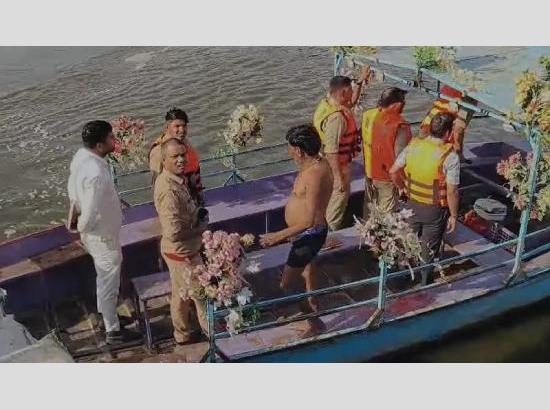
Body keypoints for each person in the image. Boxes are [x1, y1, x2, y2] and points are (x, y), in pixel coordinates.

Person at [67, 120, 138, 345]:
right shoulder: (96, 173)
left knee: (104, 279)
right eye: (110, 138)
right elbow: (89, 212)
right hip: (103, 238)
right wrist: (82, 230)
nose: (114, 141)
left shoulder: (81, 157)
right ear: (99, 145)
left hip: (98, 235)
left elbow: (73, 191)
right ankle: (113, 331)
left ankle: (108, 316)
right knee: (109, 282)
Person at [259, 124, 333, 335]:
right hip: (304, 233)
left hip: (309, 235)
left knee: (287, 283)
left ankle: (314, 321)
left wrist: (276, 236)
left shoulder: (314, 174)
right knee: (307, 271)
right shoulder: (316, 162)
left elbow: (308, 220)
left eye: (290, 147)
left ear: (299, 150)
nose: (288, 151)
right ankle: (313, 304)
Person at [389, 112, 460, 286]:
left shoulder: (413, 146)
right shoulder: (450, 156)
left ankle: (401, 278)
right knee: (428, 248)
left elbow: (393, 171)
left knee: (407, 241)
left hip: (411, 204)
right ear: (448, 133)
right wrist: (453, 215)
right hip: (433, 210)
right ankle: (424, 283)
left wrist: (402, 187)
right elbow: (452, 191)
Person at [154, 138, 209, 345]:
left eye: (183, 155)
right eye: (174, 156)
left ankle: (182, 334)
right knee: (202, 296)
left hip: (180, 250)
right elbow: (173, 232)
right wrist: (200, 228)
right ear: (164, 160)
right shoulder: (169, 191)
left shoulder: (176, 180)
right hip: (182, 253)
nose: (181, 160)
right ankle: (214, 337)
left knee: (181, 295)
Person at [313, 67, 371, 231]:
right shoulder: (336, 118)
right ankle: (329, 236)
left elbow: (351, 102)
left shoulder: (327, 103)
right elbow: (331, 151)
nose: (352, 95)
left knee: (328, 202)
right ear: (343, 92)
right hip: (337, 167)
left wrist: (360, 82)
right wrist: (338, 178)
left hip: (324, 166)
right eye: (350, 91)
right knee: (336, 204)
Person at [361, 87, 412, 218]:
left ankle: (368, 226)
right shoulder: (400, 125)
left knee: (370, 210)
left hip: (369, 172)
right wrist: (402, 185)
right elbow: (400, 158)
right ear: (397, 104)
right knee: (385, 216)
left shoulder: (368, 115)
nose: (404, 105)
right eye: (403, 102)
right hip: (387, 178)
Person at [149, 108, 204, 206]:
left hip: (191, 199)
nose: (182, 130)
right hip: (173, 202)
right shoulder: (158, 151)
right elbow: (156, 183)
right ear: (167, 127)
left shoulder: (185, 143)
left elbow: (194, 170)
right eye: (177, 126)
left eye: (184, 126)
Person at [419, 85, 477, 160]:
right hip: (450, 92)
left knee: (458, 129)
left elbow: (459, 130)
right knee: (428, 125)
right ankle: (422, 149)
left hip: (468, 95)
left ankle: (458, 154)